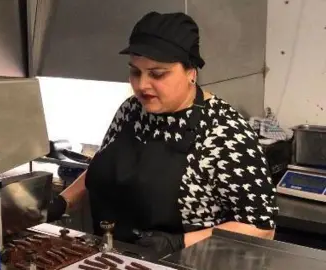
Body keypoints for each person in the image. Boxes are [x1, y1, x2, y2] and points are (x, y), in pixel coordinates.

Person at [47, 11, 278, 255]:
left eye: (157, 74)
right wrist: (62, 202)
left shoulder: (224, 131)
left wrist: (179, 243)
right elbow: (103, 166)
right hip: (111, 258)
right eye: (135, 72)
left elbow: (261, 226)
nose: (142, 85)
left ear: (191, 72)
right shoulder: (131, 110)